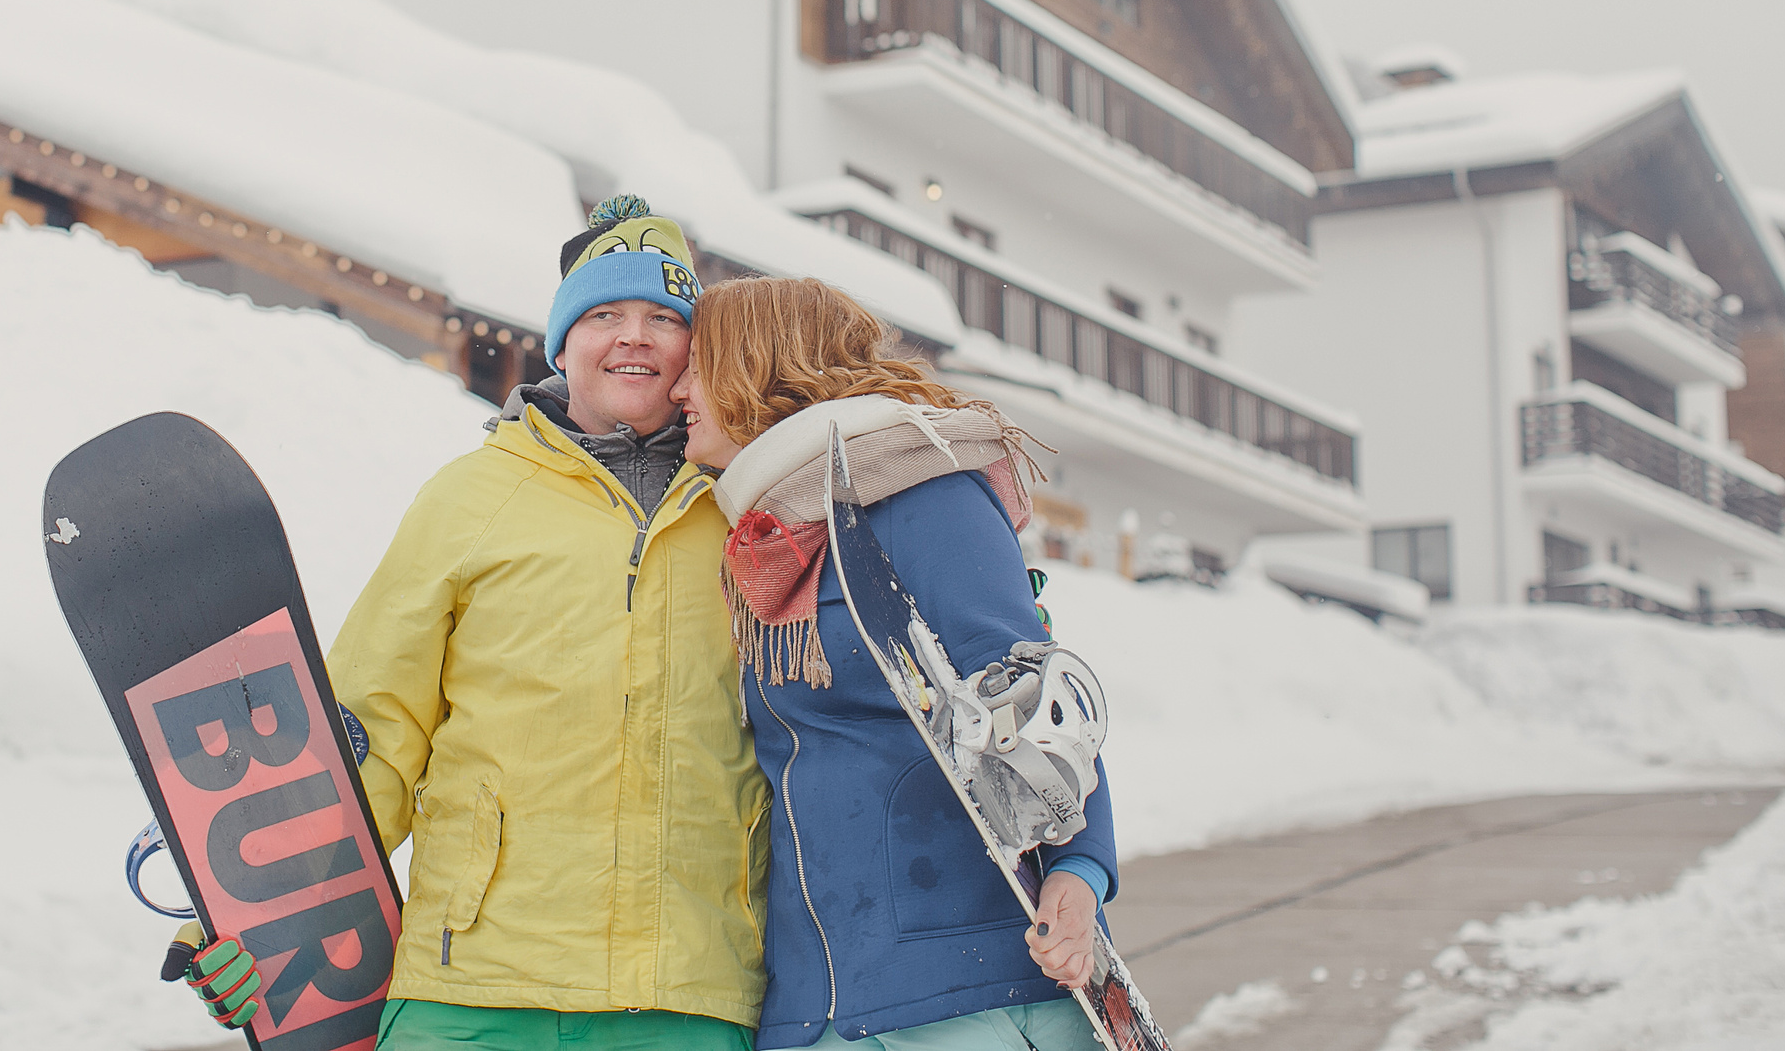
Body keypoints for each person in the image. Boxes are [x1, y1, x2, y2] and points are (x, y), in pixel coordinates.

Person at [177, 195, 772, 1051]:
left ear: (694, 353)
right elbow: (372, 731)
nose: (633, 336)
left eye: (662, 318)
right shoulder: (471, 499)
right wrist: (246, 915)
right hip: (475, 985)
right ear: (563, 344)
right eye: (604, 314)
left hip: (685, 992)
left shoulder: (752, 507)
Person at [670, 276, 1117, 1051]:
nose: (678, 387)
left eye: (697, 367)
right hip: (819, 1003)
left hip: (964, 991)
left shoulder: (918, 489)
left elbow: (1035, 698)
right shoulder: (763, 535)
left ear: (756, 365)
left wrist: (1079, 871)